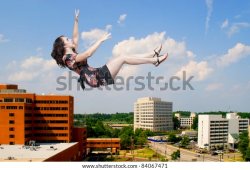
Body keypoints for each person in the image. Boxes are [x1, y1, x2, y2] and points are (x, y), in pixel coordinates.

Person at [51, 10, 168, 90]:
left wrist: (76, 20)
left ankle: (153, 54)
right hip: (96, 78)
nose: (70, 39)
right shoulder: (68, 58)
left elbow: (75, 37)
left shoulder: (71, 52)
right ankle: (154, 60)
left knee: (123, 56)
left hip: (97, 73)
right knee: (123, 58)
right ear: (63, 46)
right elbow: (88, 53)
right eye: (67, 39)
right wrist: (100, 40)